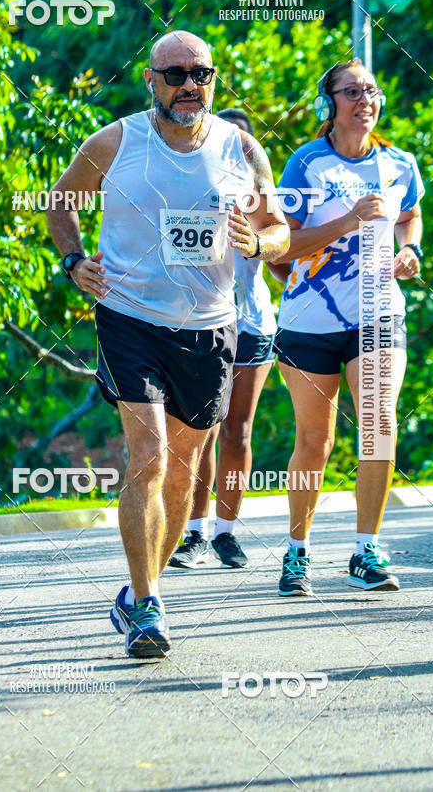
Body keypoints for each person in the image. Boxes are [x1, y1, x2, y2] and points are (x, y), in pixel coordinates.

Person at [47, 31, 290, 657]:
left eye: (200, 73)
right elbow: (59, 203)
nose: (189, 85)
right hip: (129, 318)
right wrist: (74, 261)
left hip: (210, 327)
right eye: (176, 74)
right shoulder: (115, 142)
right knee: (150, 456)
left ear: (212, 79)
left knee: (183, 472)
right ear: (150, 80)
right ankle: (149, 605)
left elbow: (280, 229)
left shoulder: (241, 147)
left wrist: (259, 243)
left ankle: (136, 593)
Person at [272, 57, 424, 596]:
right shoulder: (306, 163)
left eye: (371, 90)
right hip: (309, 318)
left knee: (379, 425)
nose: (365, 100)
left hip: (379, 312)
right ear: (328, 103)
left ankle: (366, 550)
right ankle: (297, 552)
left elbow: (408, 215)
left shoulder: (400, 162)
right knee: (315, 441)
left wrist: (411, 250)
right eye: (352, 91)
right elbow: (281, 247)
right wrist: (348, 220)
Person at [168, 109, 277, 569]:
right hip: (201, 322)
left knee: (238, 431)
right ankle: (194, 533)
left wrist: (259, 238)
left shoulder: (262, 195)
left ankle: (226, 533)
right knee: (202, 431)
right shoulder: (190, 185)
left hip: (252, 322)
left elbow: (281, 256)